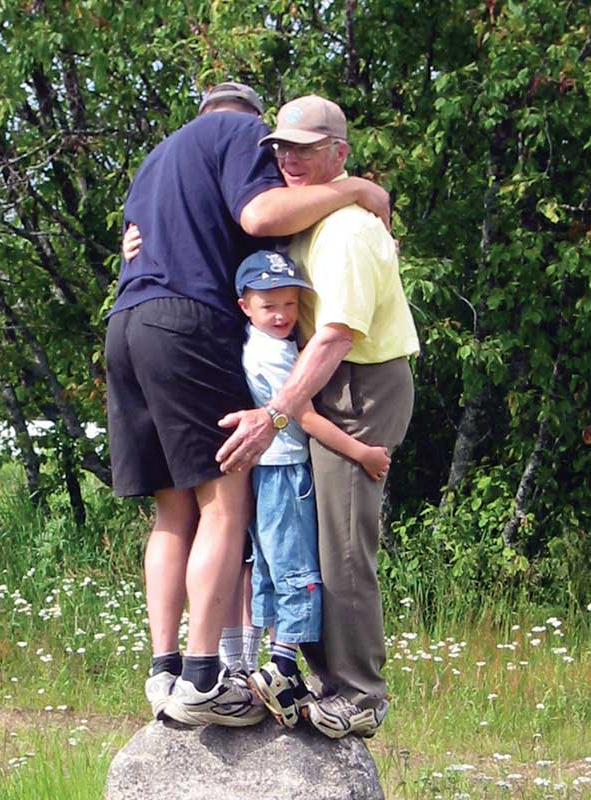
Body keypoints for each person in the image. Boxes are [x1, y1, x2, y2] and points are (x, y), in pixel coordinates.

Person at [105, 82, 393, 727]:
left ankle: (166, 668)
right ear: (251, 124)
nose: (274, 159)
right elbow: (261, 217)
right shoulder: (235, 134)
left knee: (171, 511)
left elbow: (142, 245)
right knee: (225, 499)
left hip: (126, 327)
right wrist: (354, 189)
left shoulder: (157, 160)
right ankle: (207, 677)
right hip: (187, 324)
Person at [216, 95, 420, 739]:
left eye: (305, 147)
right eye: (280, 148)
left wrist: (276, 413)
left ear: (340, 152)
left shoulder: (352, 231)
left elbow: (334, 337)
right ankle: (322, 680)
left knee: (344, 546)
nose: (289, 159)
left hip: (358, 385)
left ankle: (360, 696)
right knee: (310, 542)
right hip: (324, 383)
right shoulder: (316, 214)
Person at [232, 249, 389, 729]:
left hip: (268, 472)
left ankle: (261, 660)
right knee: (298, 568)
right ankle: (280, 666)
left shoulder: (260, 343)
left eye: (290, 305)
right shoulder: (274, 356)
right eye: (269, 306)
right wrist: (361, 452)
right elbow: (307, 418)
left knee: (272, 564)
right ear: (246, 306)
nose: (281, 316)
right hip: (286, 473)